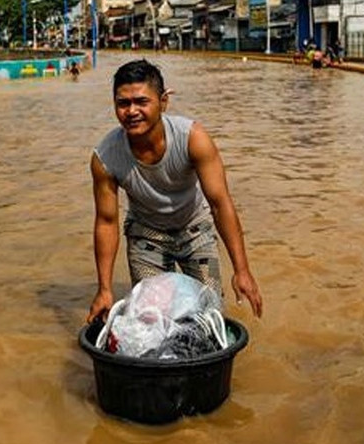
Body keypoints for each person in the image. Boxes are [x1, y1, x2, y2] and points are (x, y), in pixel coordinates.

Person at [87, 59, 263, 323]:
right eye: (123, 104)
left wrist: (242, 270)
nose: (131, 111)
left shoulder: (192, 138)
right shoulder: (105, 157)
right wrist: (104, 289)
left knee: (209, 314)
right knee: (151, 319)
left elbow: (220, 203)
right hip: (146, 235)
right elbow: (106, 222)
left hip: (195, 229)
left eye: (141, 101)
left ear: (163, 101)